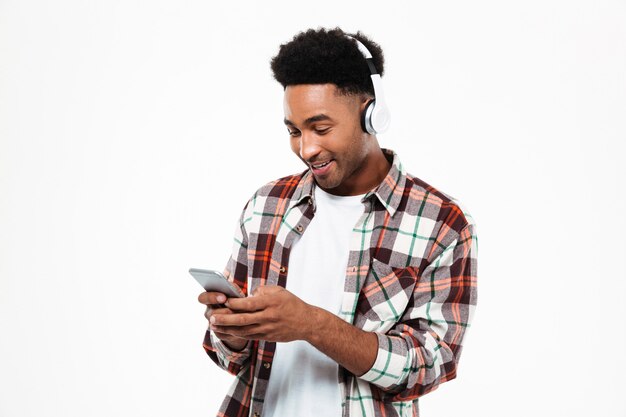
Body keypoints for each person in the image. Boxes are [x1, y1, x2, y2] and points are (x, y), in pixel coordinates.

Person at [197, 27, 478, 417]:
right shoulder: (266, 205)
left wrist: (312, 324)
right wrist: (230, 333)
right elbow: (229, 357)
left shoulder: (440, 223)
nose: (307, 148)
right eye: (294, 131)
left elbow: (431, 365)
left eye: (321, 128)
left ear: (371, 113)